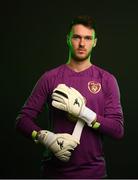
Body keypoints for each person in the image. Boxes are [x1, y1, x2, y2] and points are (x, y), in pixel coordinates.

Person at [16, 15, 124, 179]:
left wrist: (84, 113)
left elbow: (117, 130)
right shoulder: (50, 78)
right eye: (77, 37)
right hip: (54, 173)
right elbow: (22, 120)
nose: (82, 43)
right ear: (67, 39)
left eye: (88, 38)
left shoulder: (107, 80)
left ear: (95, 42)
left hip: (94, 174)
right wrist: (43, 137)